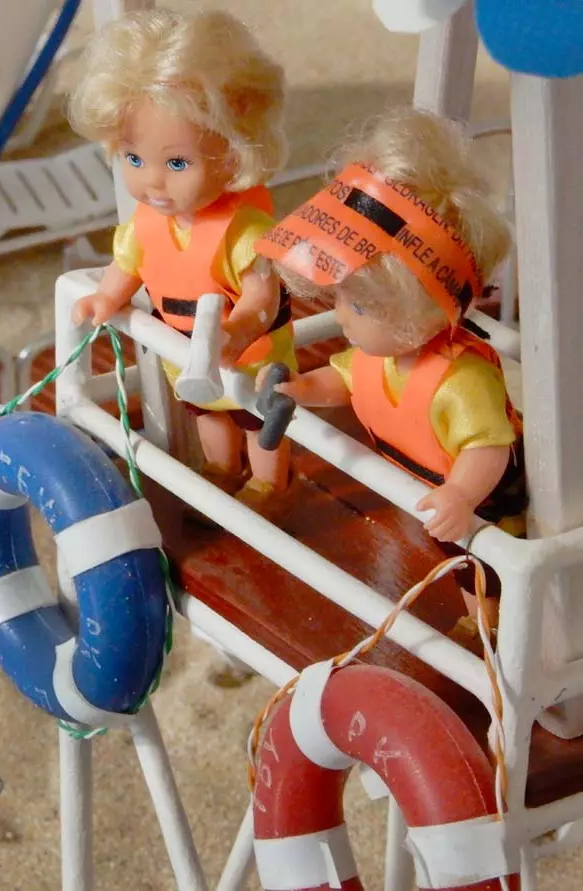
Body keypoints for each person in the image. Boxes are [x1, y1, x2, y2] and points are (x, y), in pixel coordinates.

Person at [255, 107, 521, 646]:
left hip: (485, 501)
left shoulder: (460, 380)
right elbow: (343, 382)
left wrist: (462, 494)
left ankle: (487, 624)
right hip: (425, 487)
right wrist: (299, 389)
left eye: (358, 306)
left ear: (420, 316)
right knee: (452, 553)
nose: (340, 315)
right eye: (342, 297)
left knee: (480, 564)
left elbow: (487, 448)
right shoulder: (374, 356)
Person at [65, 8, 295, 517]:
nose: (152, 181)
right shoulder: (147, 224)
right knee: (208, 414)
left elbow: (263, 296)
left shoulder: (243, 232)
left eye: (176, 163)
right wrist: (106, 297)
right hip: (186, 354)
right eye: (133, 158)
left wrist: (238, 330)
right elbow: (128, 265)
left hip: (247, 356)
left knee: (258, 422)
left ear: (233, 155)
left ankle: (270, 485)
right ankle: (221, 468)